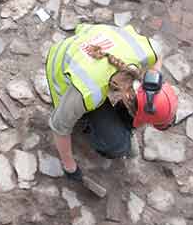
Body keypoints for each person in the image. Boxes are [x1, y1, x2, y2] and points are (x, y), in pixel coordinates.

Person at [44, 23, 178, 179]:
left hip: (92, 39)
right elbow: (59, 126)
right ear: (128, 98)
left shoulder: (146, 53)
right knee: (117, 145)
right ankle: (87, 122)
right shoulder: (87, 91)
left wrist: (154, 72)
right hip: (62, 67)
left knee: (119, 129)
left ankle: (114, 121)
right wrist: (70, 167)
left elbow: (158, 54)